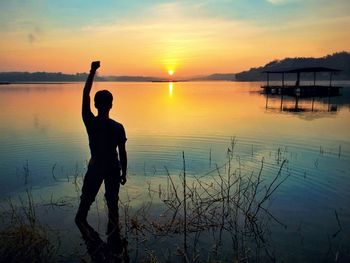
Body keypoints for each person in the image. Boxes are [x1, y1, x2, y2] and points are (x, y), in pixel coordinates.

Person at [75, 61, 127, 237]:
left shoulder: (91, 122)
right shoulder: (118, 127)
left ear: (96, 106)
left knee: (84, 208)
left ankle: (91, 241)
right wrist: (124, 173)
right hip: (113, 168)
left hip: (96, 167)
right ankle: (113, 240)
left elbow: (85, 94)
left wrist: (92, 72)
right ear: (111, 105)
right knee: (113, 206)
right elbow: (122, 153)